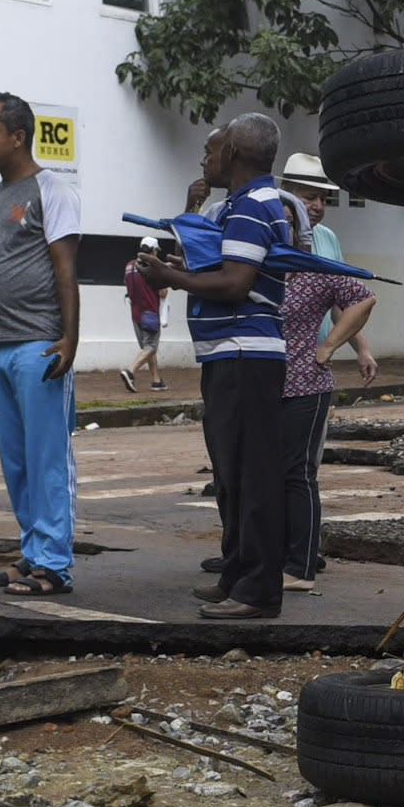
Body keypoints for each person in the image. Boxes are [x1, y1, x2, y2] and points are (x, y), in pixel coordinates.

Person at [149, 111, 296, 620]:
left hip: (246, 352)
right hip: (229, 352)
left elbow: (236, 282)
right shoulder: (238, 204)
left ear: (232, 152)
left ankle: (258, 591)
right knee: (232, 474)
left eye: (212, 149)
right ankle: (236, 572)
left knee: (252, 475)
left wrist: (172, 276)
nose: (206, 158)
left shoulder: (253, 206)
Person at [0, 93, 81, 595]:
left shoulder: (52, 190)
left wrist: (70, 337)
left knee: (47, 455)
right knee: (15, 459)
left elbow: (65, 268)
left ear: (18, 137)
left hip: (40, 344)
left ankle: (54, 563)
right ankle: (32, 554)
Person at [275, 157, 379, 591]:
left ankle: (302, 559)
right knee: (277, 469)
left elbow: (348, 296)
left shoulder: (324, 246)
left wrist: (343, 345)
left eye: (322, 199)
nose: (315, 207)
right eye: (307, 197)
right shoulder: (268, 251)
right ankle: (276, 552)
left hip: (309, 372)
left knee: (300, 470)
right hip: (272, 376)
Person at [118, 240, 169, 394]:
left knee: (147, 348)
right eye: (156, 251)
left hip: (136, 314)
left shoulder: (129, 265)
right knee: (151, 347)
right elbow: (163, 292)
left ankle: (156, 381)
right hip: (150, 313)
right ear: (153, 251)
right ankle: (130, 371)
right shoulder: (153, 267)